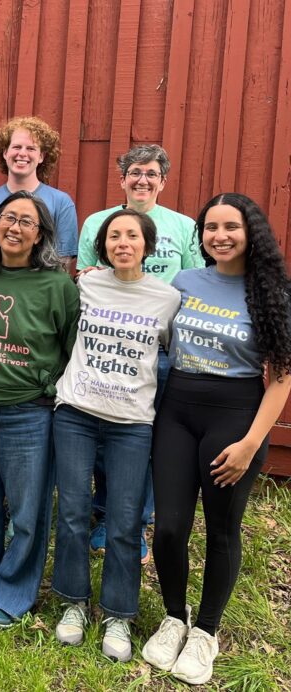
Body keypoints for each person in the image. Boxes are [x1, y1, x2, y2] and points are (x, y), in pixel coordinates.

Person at [141, 193, 291, 685]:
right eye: (210, 227)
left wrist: (251, 443)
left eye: (231, 227)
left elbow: (282, 378)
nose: (219, 236)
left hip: (235, 418)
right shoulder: (184, 281)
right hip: (178, 411)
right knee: (168, 528)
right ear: (199, 235)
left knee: (222, 530)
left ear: (252, 233)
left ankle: (205, 631)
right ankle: (173, 617)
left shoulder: (269, 292)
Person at [51, 209, 180, 661]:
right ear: (103, 245)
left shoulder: (167, 298)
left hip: (131, 423)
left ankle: (118, 615)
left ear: (148, 245)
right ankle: (72, 604)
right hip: (76, 414)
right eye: (114, 236)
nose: (122, 242)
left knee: (125, 523)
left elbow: (175, 361)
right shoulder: (84, 285)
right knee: (72, 512)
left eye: (131, 236)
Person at [0, 191, 78, 626]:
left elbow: (69, 348)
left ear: (41, 233)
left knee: (27, 513)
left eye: (27, 221)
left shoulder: (58, 286)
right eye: (8, 218)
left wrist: (45, 385)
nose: (15, 228)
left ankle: (12, 593)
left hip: (30, 413)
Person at [77, 144, 204, 560]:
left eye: (151, 173)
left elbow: (195, 283)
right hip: (109, 344)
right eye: (135, 172)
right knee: (101, 435)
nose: (142, 180)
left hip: (162, 349)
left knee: (146, 437)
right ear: (122, 179)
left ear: (163, 181)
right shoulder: (98, 222)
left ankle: (135, 522)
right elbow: (84, 275)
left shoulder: (184, 226)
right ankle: (102, 513)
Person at [0, 117, 78, 271]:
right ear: (5, 152)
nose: (22, 154)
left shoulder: (61, 202)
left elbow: (63, 262)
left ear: (41, 156)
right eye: (16, 147)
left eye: (31, 148)